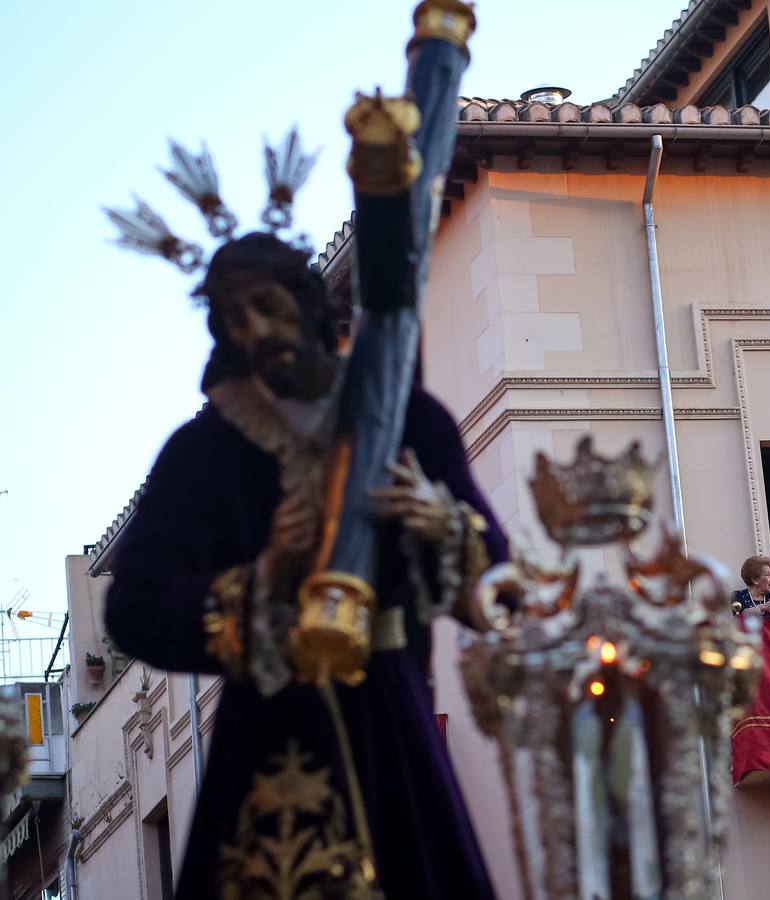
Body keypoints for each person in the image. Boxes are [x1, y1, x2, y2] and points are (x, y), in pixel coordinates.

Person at [103, 6, 502, 897]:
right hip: (265, 734)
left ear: (313, 307)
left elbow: (496, 584)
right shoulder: (204, 452)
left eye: (268, 306)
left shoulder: (408, 417)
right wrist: (260, 579)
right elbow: (133, 607)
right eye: (234, 318)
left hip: (393, 721)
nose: (254, 330)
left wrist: (439, 523)